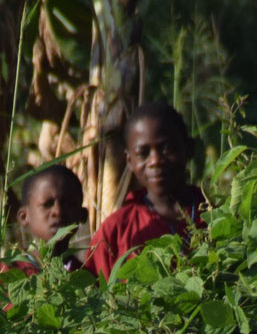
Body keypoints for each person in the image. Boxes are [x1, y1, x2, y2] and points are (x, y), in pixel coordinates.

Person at [85, 102, 206, 279]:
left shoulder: (215, 214)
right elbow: (93, 295)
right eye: (143, 153)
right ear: (129, 160)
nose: (155, 160)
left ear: (189, 148)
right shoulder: (116, 231)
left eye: (167, 148)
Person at [10, 164, 87, 274]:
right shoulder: (3, 276)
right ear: (24, 216)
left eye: (69, 204)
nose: (58, 211)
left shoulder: (88, 283)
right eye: (47, 204)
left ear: (82, 216)